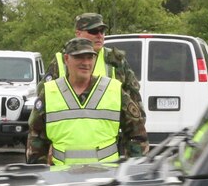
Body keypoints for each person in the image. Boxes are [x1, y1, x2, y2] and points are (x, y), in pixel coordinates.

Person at [26, 37, 147, 167]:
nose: (86, 63)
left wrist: (133, 171)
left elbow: (136, 133)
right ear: (66, 59)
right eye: (79, 57)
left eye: (90, 57)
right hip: (61, 179)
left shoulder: (114, 90)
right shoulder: (49, 92)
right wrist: (38, 173)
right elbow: (36, 137)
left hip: (106, 178)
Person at [45, 13, 145, 119]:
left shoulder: (115, 60)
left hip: (105, 131)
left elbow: (135, 105)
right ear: (78, 33)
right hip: (67, 130)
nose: (99, 35)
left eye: (102, 31)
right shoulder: (61, 61)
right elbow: (45, 100)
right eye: (93, 31)